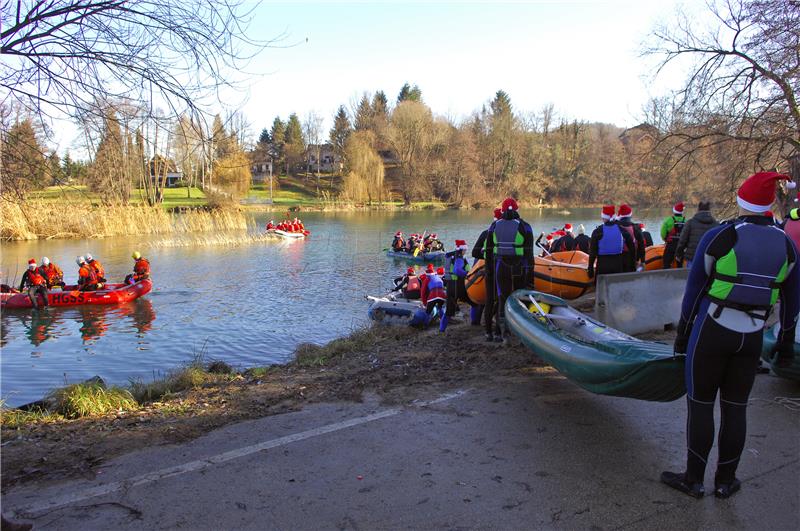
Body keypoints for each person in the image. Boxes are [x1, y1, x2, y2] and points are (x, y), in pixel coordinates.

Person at [662, 172, 799, 500]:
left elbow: (694, 291)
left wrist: (683, 332)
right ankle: (726, 481)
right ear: (769, 204)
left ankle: (693, 479)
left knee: (700, 405)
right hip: (751, 335)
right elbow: (793, 299)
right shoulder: (786, 244)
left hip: (712, 330)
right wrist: (785, 340)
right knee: (736, 408)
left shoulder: (720, 235)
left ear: (740, 200)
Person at [484, 197, 535, 342]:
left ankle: (502, 334)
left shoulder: (494, 226)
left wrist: (489, 270)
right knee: (519, 298)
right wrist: (530, 276)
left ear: (502, 210)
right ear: (517, 209)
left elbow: (488, 251)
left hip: (501, 267)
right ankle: (520, 333)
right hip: (518, 266)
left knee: (502, 298)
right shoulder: (525, 226)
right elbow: (529, 254)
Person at [587, 205, 635, 279]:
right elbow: (632, 248)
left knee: (602, 289)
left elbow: (592, 252)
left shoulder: (597, 232)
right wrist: (632, 265)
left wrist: (590, 268)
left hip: (602, 266)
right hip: (618, 266)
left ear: (604, 217)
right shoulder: (622, 230)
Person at [675, 201, 719, 268]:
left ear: (698, 210)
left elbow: (682, 241)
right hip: (710, 259)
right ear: (709, 210)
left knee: (691, 276)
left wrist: (678, 254)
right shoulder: (716, 224)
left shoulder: (690, 223)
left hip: (692, 258)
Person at [441, 240, 472, 332]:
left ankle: (442, 329)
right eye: (465, 250)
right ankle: (475, 322)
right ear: (462, 249)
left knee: (448, 311)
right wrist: (467, 274)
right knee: (475, 302)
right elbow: (457, 270)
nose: (465, 251)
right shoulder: (459, 258)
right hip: (458, 285)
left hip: (450, 285)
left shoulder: (450, 256)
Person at [616, 204, 646, 272]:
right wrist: (642, 261)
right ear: (630, 215)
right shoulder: (635, 228)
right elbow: (641, 245)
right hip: (631, 257)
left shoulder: (615, 226)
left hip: (617, 257)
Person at [660, 202, 686, 269]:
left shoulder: (668, 220)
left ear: (674, 210)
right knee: (679, 264)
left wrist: (665, 239)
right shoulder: (685, 221)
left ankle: (666, 277)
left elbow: (663, 233)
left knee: (666, 263)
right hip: (681, 246)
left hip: (671, 245)